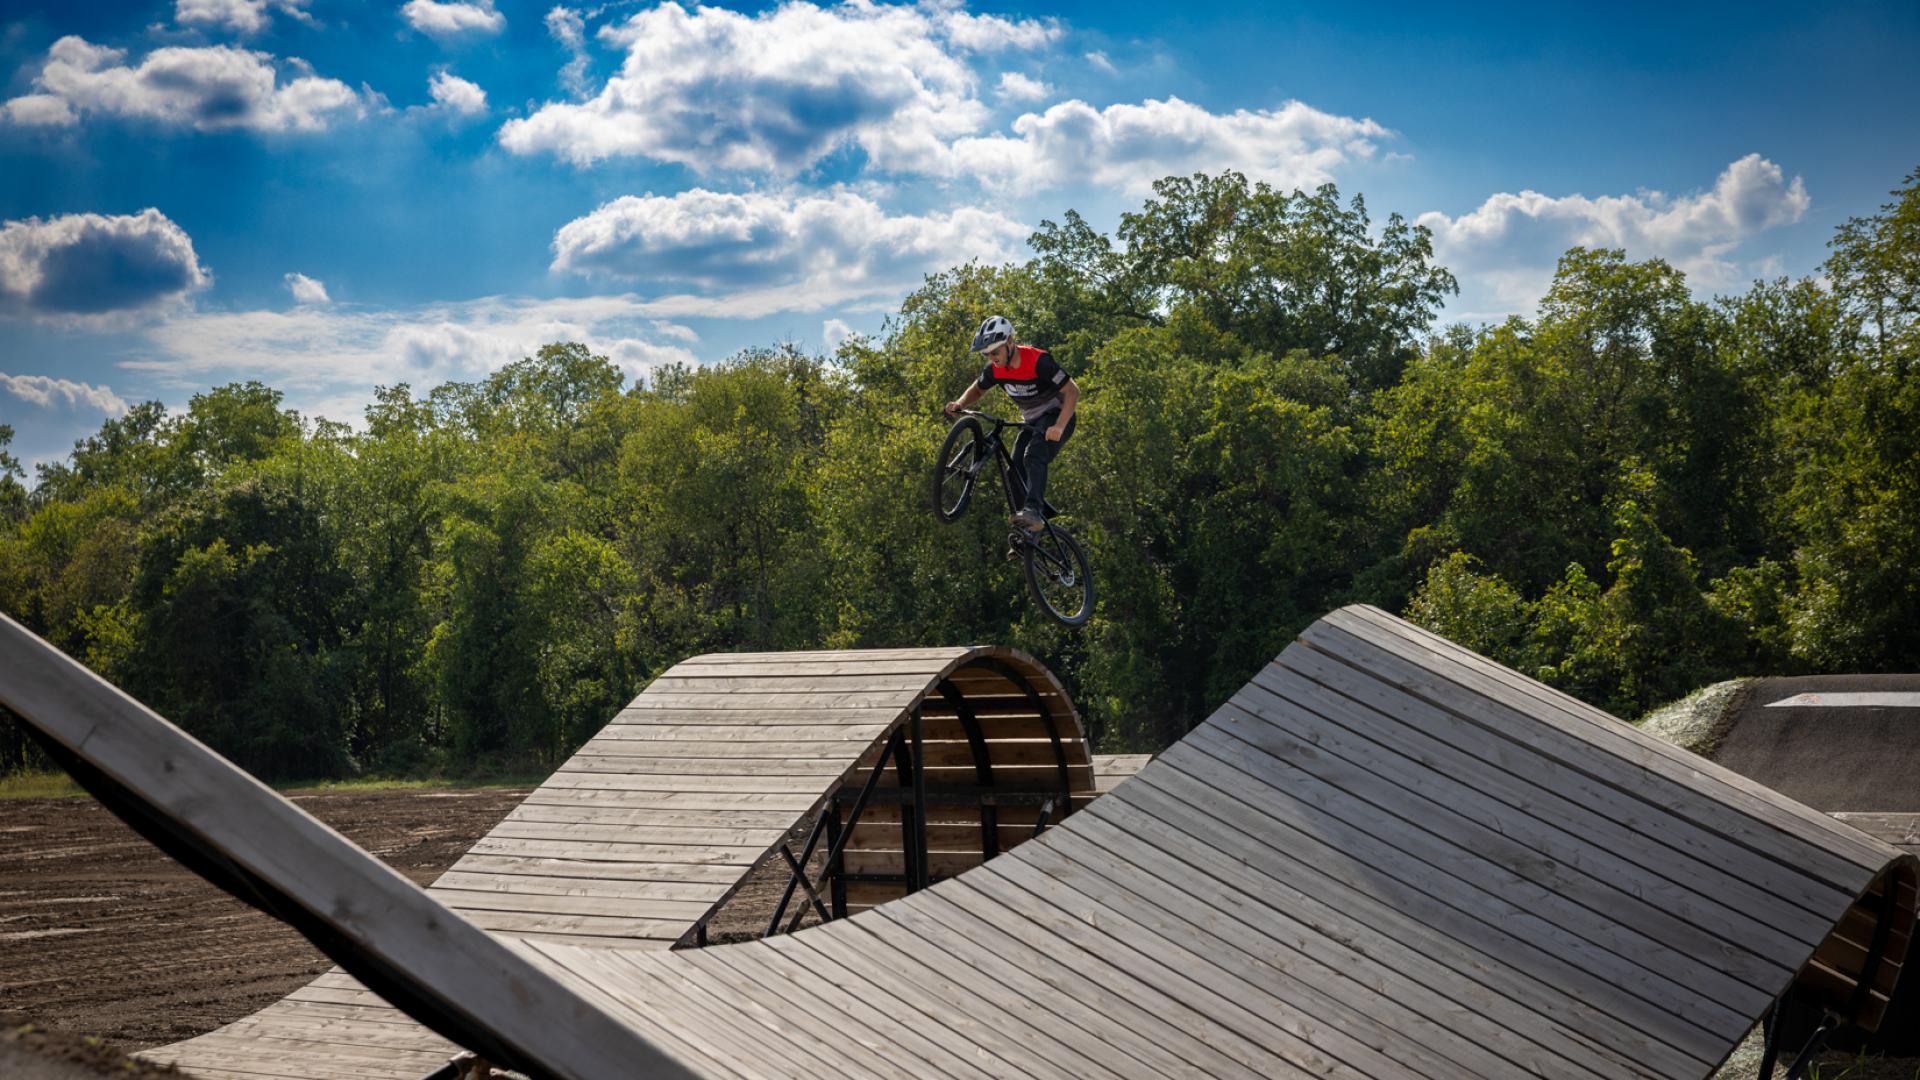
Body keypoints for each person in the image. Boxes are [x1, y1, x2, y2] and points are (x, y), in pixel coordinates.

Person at [944, 315, 1079, 533]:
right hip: (1033, 421)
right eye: (987, 354)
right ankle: (1025, 533)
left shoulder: (1039, 361)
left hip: (1059, 416)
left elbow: (1073, 391)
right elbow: (978, 388)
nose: (992, 358)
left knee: (1033, 455)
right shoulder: (995, 369)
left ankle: (1033, 511)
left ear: (1009, 342)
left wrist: (1060, 426)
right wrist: (959, 403)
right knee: (1014, 470)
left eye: (995, 352)